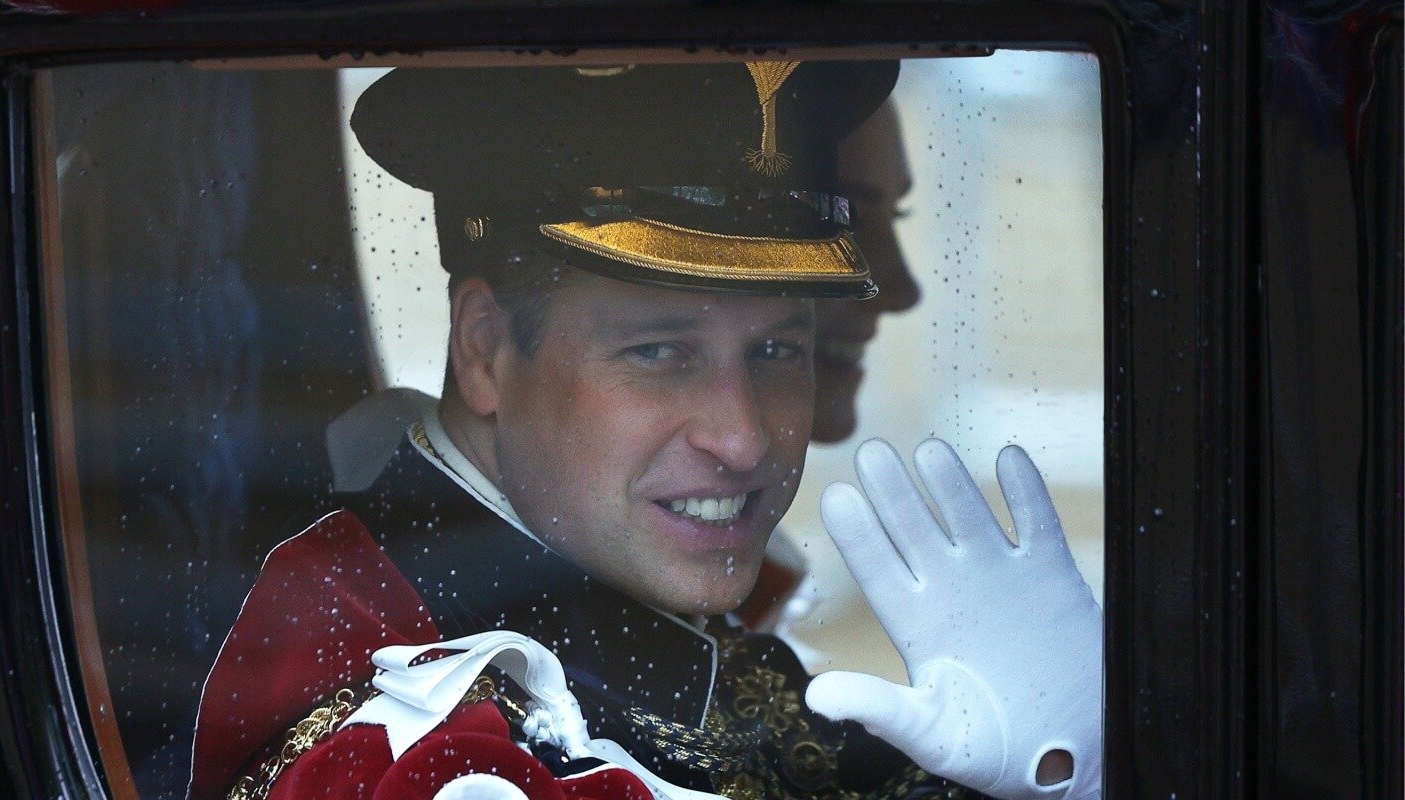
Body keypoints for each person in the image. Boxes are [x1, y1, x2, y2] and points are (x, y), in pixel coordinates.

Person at [189, 61, 1101, 800]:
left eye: (779, 348)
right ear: (484, 348)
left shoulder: (600, 610)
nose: (743, 441)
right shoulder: (429, 760)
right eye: (661, 353)